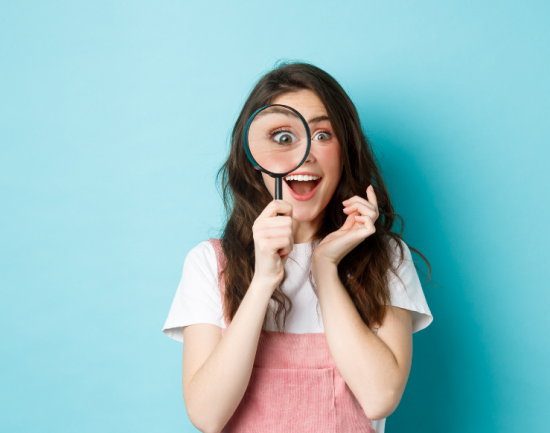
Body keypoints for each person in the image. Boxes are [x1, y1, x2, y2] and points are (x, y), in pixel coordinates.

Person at [163, 62, 433, 433]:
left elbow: (379, 396)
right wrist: (261, 282)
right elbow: (207, 416)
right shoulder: (210, 263)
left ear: (345, 152)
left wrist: (325, 266)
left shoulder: (385, 258)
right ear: (253, 159)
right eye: (283, 138)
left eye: (323, 135)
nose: (304, 154)